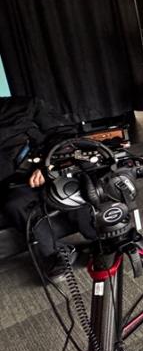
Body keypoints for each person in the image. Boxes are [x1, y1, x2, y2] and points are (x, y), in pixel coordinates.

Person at [0, 96, 95, 283]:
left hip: (51, 167)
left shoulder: (24, 105)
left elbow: (64, 133)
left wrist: (48, 165)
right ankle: (57, 253)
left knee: (67, 189)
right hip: (16, 185)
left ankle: (100, 238)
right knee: (14, 204)